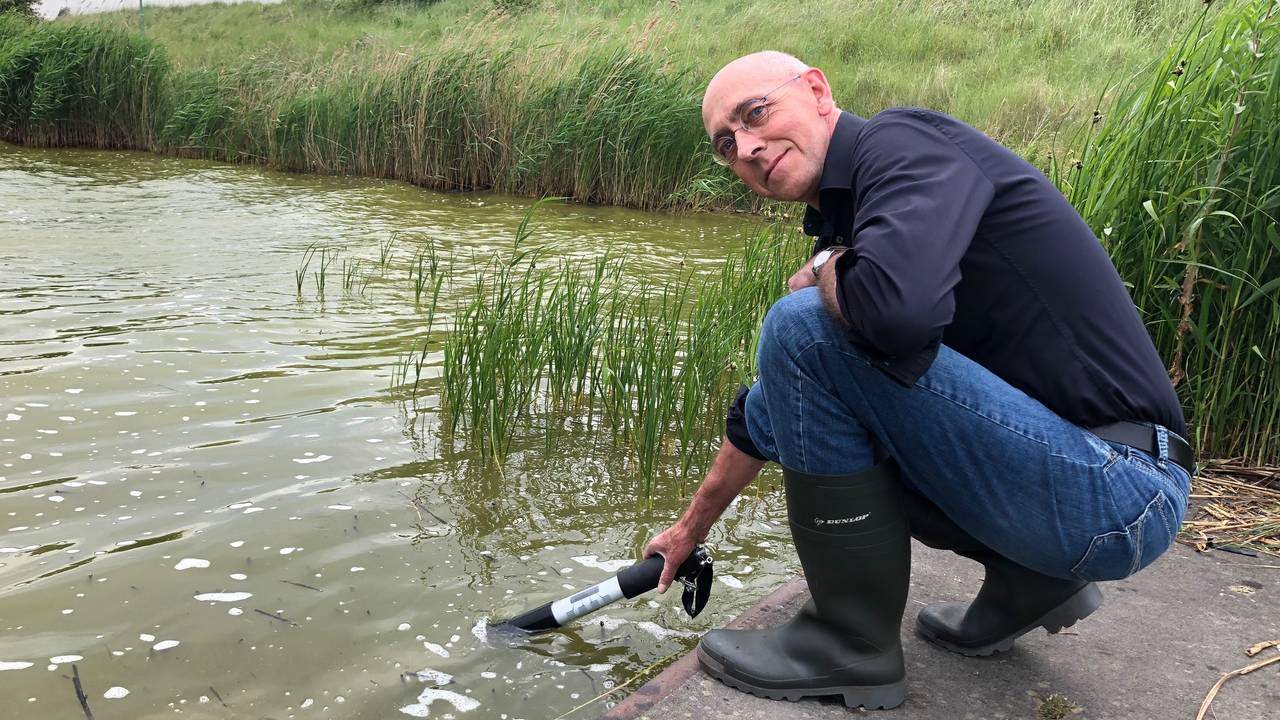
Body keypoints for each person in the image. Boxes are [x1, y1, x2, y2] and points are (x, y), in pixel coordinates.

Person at [643, 51, 1194, 711]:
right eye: (726, 145)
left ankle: (847, 645)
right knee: (808, 349)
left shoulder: (903, 145)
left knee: (799, 327)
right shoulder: (858, 221)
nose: (749, 147)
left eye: (755, 113)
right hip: (1079, 482)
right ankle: (1032, 581)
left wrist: (822, 268)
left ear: (816, 90)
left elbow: (894, 313)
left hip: (1118, 486)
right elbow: (770, 411)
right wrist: (690, 530)